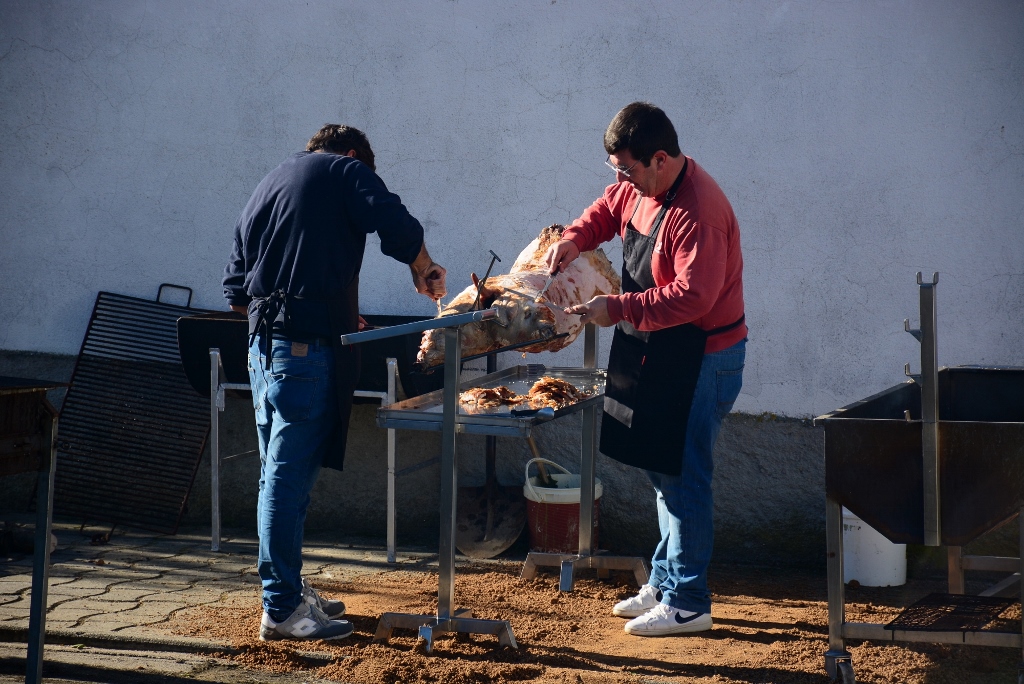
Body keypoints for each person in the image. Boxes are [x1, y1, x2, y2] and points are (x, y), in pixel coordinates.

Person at [223, 124, 446, 641]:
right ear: (351, 155)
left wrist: (320, 315)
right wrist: (424, 268)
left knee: (275, 478)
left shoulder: (271, 181)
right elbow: (397, 223)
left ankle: (288, 589)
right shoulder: (346, 170)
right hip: (301, 357)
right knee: (286, 481)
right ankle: (280, 608)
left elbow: (237, 291)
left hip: (262, 351)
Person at [544, 102, 746, 637]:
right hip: (661, 349)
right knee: (663, 468)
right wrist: (574, 237)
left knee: (683, 475)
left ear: (660, 158)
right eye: (616, 170)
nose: (621, 179)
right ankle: (664, 579)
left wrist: (618, 308)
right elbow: (608, 210)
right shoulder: (641, 188)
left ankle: (688, 602)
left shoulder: (697, 211)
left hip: (703, 356)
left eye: (628, 169)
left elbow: (694, 298)